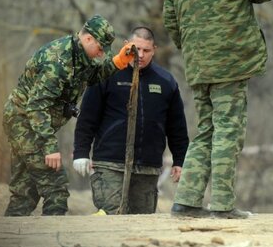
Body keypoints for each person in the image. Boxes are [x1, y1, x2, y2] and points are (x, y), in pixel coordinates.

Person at [163, 0, 273, 219]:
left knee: (206, 130)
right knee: (228, 129)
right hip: (231, 63)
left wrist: (193, 50)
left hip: (198, 66)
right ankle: (223, 205)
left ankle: (186, 201)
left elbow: (170, 20)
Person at [2, 14, 135, 216]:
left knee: (24, 192)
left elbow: (93, 76)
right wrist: (49, 148)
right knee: (56, 190)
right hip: (24, 123)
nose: (101, 54)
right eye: (100, 49)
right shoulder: (57, 62)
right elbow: (36, 107)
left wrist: (118, 62)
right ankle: (53, 242)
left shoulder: (80, 55)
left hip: (34, 124)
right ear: (88, 38)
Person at [73, 27, 189, 214]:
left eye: (146, 50)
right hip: (110, 164)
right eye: (136, 49)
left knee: (141, 222)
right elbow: (87, 117)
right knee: (111, 217)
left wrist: (180, 160)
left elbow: (177, 127)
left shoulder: (166, 81)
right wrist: (81, 152)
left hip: (148, 168)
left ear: (154, 50)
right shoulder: (106, 74)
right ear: (126, 45)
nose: (140, 55)